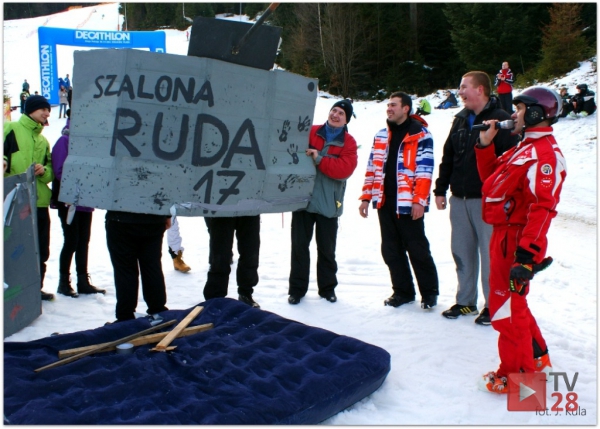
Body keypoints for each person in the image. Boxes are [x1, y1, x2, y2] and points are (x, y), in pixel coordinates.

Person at [476, 86, 566, 393]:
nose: (514, 115)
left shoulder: (544, 155)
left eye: (520, 109)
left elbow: (543, 208)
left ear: (537, 113)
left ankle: (519, 381)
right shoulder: (523, 147)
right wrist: (485, 145)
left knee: (505, 312)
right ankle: (538, 358)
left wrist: (527, 255)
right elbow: (492, 184)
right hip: (503, 236)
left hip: (516, 241)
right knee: (514, 306)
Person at [433, 71, 518, 325]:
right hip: (459, 198)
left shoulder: (501, 119)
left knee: (490, 255)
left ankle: (493, 305)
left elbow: (509, 163)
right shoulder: (460, 119)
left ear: (480, 89)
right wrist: (440, 189)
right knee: (462, 251)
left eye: (463, 87)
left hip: (488, 200)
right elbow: (448, 156)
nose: (459, 92)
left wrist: (503, 197)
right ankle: (466, 301)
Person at [359, 92, 439, 310]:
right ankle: (403, 292)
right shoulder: (381, 135)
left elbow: (425, 170)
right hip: (384, 202)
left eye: (394, 105)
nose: (389, 108)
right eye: (388, 105)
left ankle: (429, 293)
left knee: (417, 249)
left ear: (406, 108)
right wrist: (366, 197)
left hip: (408, 202)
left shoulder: (421, 134)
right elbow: (372, 168)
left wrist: (419, 201)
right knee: (391, 250)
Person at [288, 99, 358, 305]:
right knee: (299, 248)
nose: (335, 115)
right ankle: (297, 290)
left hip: (329, 203)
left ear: (346, 120)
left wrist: (319, 159)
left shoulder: (349, 142)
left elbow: (344, 170)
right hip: (303, 200)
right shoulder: (311, 131)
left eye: (341, 114)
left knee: (327, 250)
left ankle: (327, 289)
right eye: (334, 110)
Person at [4, 95, 55, 301]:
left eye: (48, 110)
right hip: (15, 202)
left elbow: (51, 172)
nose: (47, 113)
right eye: (43, 109)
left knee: (41, 249)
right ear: (31, 109)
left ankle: (36, 288)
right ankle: (13, 291)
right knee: (16, 249)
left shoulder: (43, 141)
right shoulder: (11, 129)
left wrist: (44, 171)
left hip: (39, 202)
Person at [51, 109, 106, 298]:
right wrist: (84, 180)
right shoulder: (64, 141)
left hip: (86, 200)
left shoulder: (89, 143)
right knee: (71, 240)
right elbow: (60, 171)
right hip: (69, 202)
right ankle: (63, 282)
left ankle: (83, 281)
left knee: (83, 241)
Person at [106, 210, 170, 322]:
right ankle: (158, 310)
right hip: (153, 217)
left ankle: (125, 316)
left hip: (121, 218)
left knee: (125, 269)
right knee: (151, 266)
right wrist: (167, 214)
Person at [203, 215, 261, 308]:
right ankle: (215, 297)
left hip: (250, 209)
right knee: (220, 255)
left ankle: (245, 293)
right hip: (222, 210)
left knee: (250, 252)